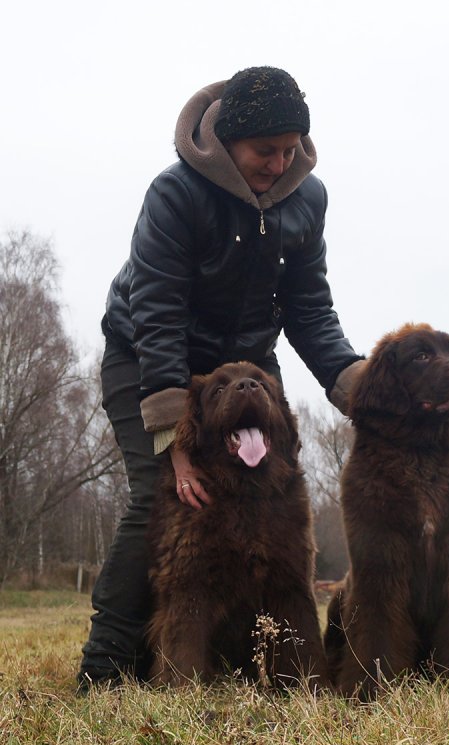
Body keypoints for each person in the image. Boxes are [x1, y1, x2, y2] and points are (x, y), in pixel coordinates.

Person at [78, 66, 363, 690]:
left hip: (247, 372)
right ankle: (105, 668)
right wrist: (175, 442)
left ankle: (266, 661)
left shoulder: (306, 200)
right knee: (158, 497)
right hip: (149, 361)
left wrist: (359, 388)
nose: (279, 164)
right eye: (266, 151)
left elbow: (310, 309)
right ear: (230, 140)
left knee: (274, 501)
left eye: (291, 151)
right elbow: (156, 313)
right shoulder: (176, 193)